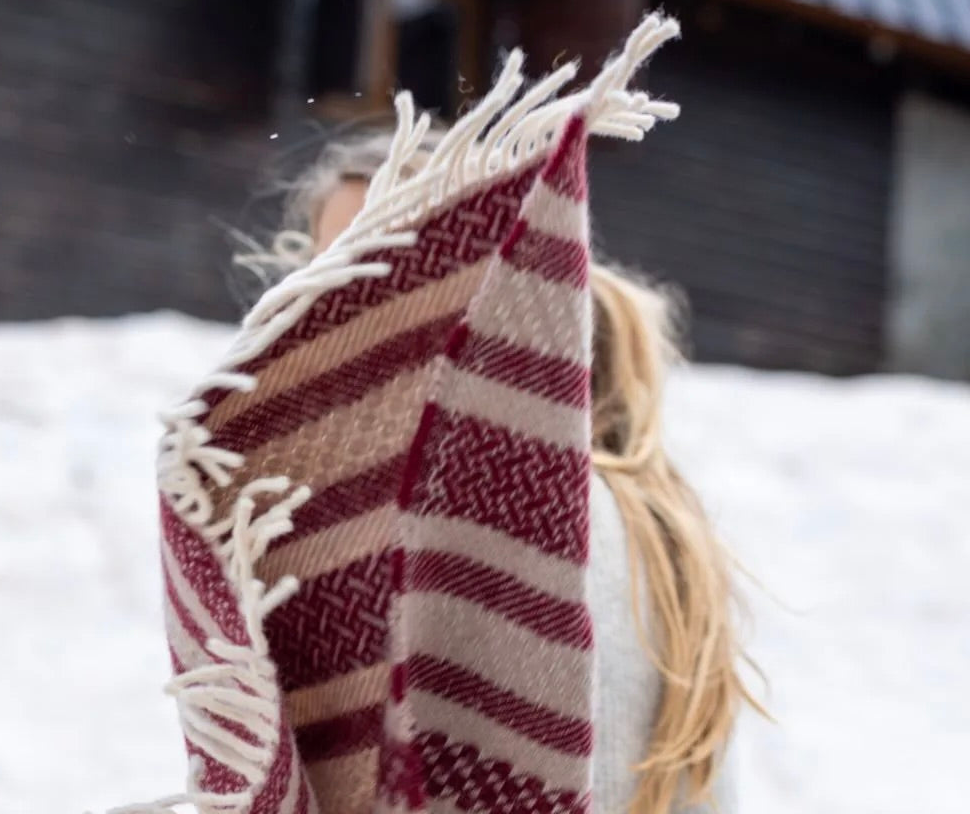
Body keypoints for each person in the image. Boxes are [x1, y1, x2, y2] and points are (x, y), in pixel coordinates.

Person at [235, 130, 759, 814]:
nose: (339, 304)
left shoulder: (507, 507)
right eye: (326, 268)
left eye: (386, 261)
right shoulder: (643, 506)